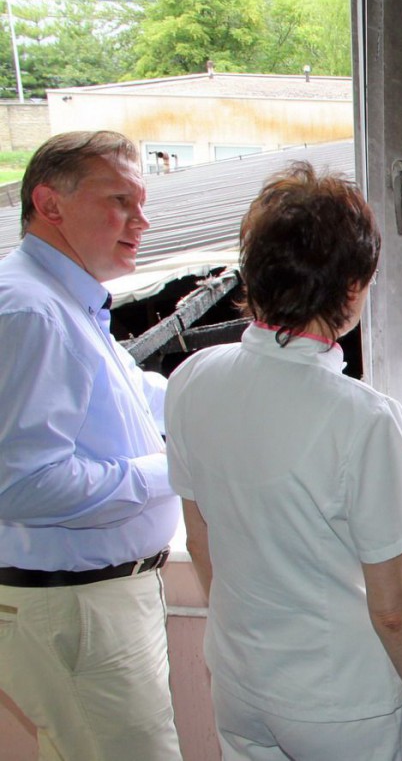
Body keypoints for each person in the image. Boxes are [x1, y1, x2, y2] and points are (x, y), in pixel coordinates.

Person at [165, 162, 402, 761]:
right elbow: (393, 609)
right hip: (338, 700)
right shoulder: (361, 417)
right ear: (352, 288)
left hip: (239, 682)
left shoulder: (192, 378)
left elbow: (199, 540)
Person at [0, 131, 182, 760]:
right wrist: (177, 469)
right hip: (73, 607)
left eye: (142, 203)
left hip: (89, 601)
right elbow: (22, 484)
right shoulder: (31, 313)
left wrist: (229, 398)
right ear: (50, 204)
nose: (142, 221)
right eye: (120, 201)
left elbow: (135, 396)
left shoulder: (65, 301)